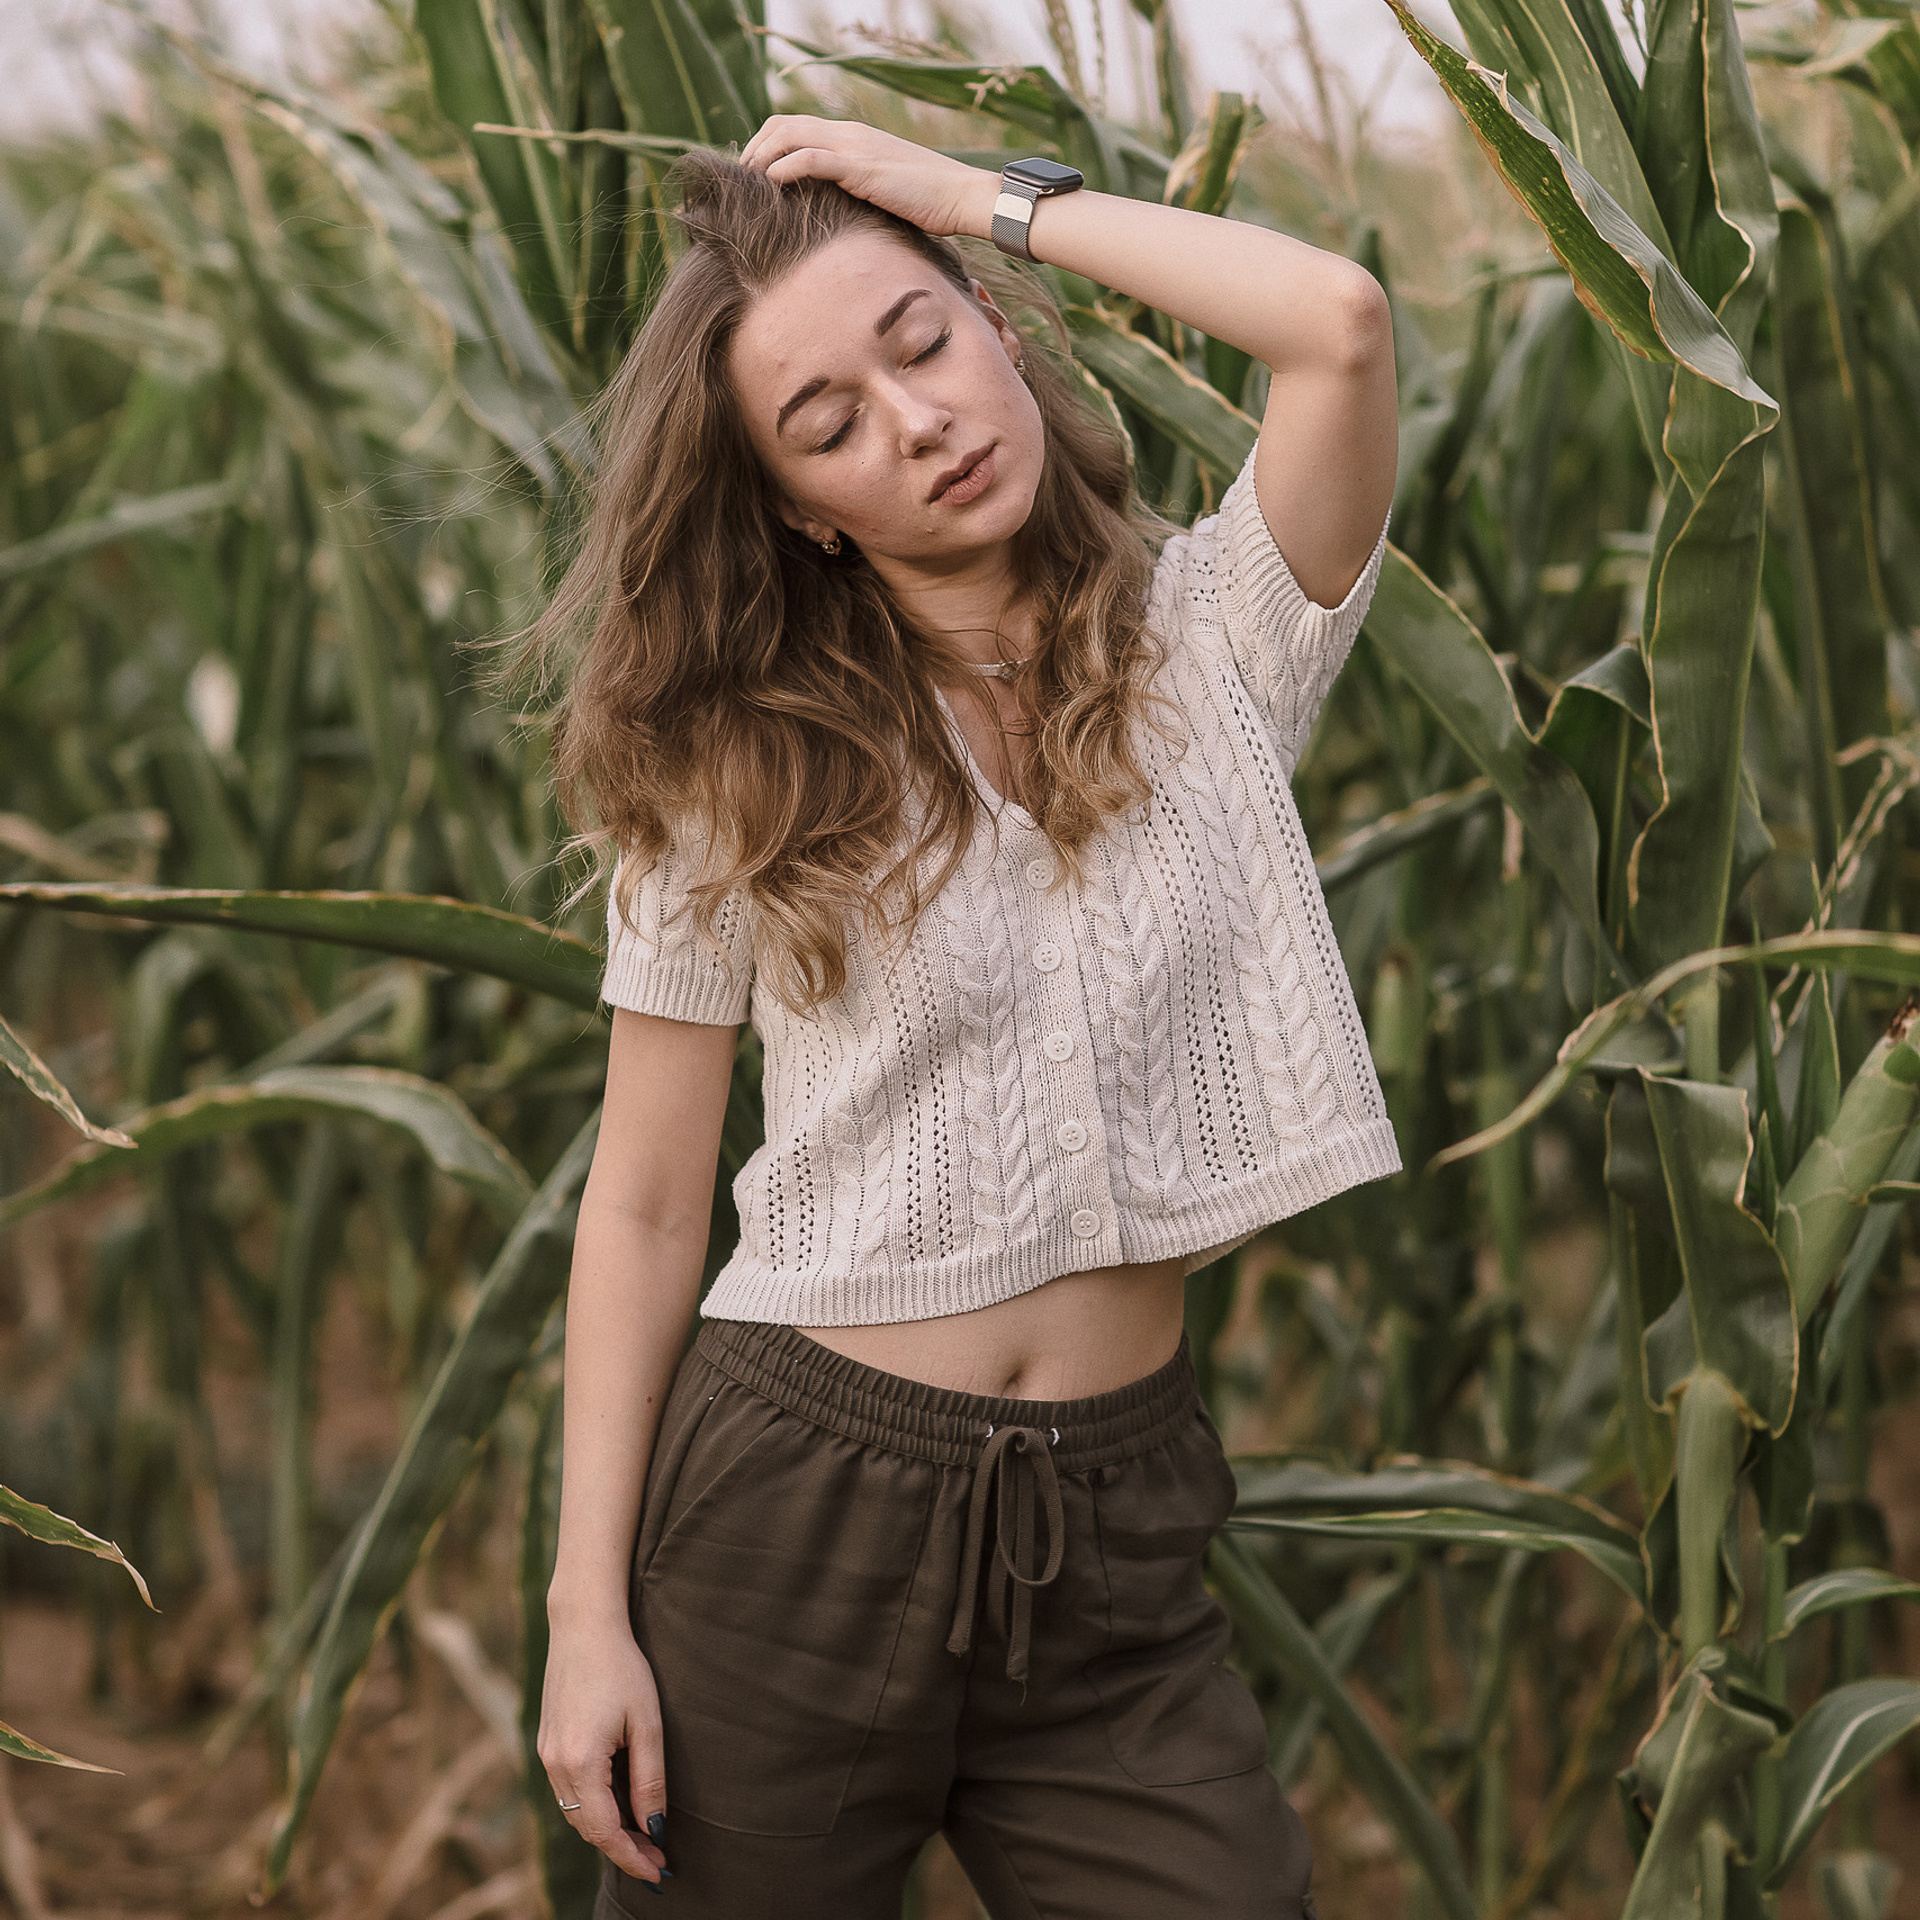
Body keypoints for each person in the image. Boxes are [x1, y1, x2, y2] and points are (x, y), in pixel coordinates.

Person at [530, 112, 1400, 1920]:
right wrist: (582, 1610)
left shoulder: (1213, 649)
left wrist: (951, 197)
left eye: (922, 341)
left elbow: (1335, 323)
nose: (916, 422)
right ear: (800, 509)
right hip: (792, 1513)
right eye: (830, 423)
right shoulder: (735, 762)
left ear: (995, 324)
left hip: (1117, 1522)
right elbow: (644, 1206)